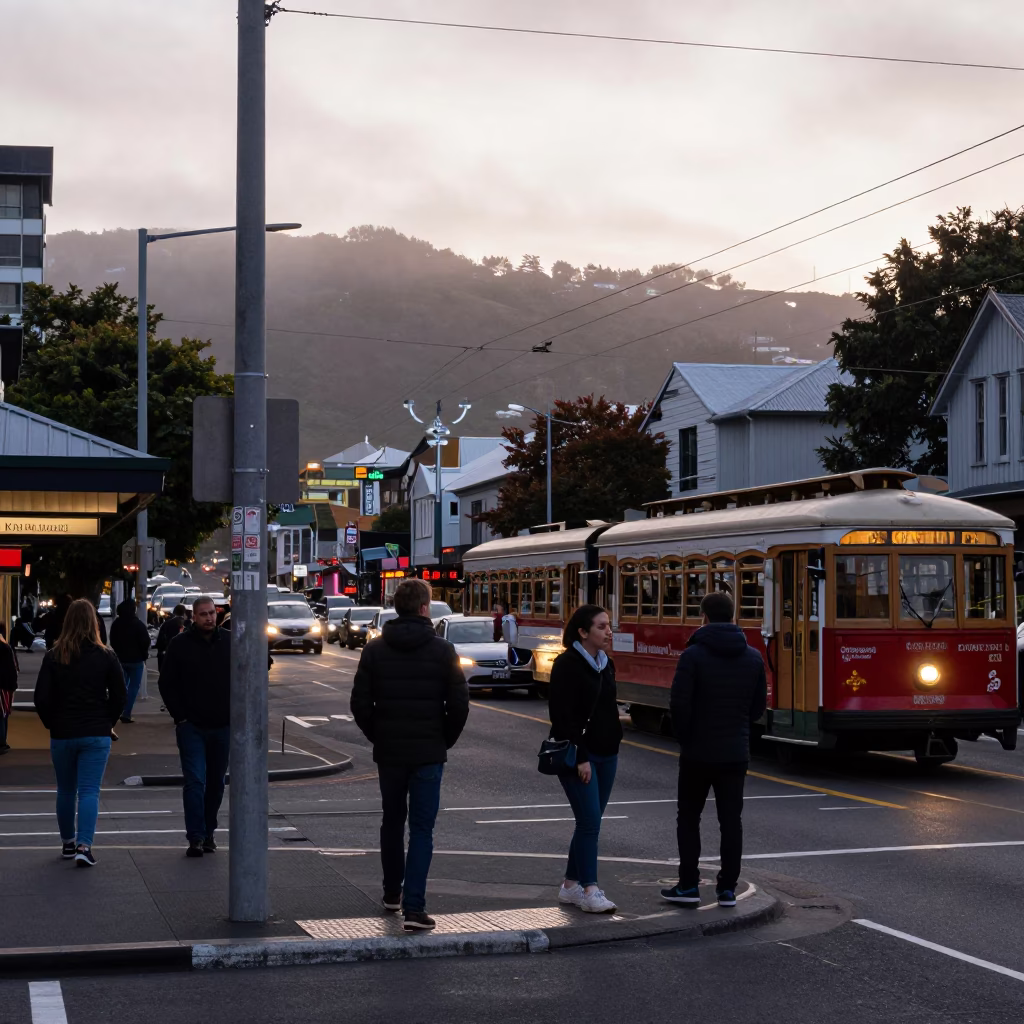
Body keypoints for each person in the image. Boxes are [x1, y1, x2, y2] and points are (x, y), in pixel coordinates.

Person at [351, 577, 469, 931]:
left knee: (392, 821)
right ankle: (414, 908)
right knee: (422, 829)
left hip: (389, 751)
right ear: (423, 608)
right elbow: (459, 705)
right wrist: (442, 740)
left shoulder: (374, 649)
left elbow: (359, 704)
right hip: (428, 752)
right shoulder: (443, 650)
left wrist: (379, 735)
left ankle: (391, 893)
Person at [662, 591, 767, 909]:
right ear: (734, 615)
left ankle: (689, 885)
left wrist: (686, 738)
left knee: (689, 818)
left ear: (703, 617)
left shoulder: (692, 656)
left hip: (697, 752)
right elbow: (758, 707)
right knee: (731, 821)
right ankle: (727, 890)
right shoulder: (752, 657)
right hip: (735, 752)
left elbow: (679, 704)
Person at [32, 598, 126, 867]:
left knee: (65, 790)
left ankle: (68, 843)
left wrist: (52, 722)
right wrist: (107, 720)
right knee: (88, 792)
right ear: (95, 623)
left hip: (63, 731)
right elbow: (120, 694)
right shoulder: (106, 656)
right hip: (95, 731)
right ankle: (85, 846)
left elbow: (41, 698)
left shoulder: (53, 656)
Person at [547, 604, 621, 914]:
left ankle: (570, 886)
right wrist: (581, 756)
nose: (608, 631)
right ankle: (590, 890)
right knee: (590, 822)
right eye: (602, 626)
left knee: (591, 821)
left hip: (608, 752)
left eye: (608, 626)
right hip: (580, 756)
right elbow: (562, 716)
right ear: (583, 632)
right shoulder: (567, 664)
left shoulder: (606, 664)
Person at [158, 596, 230, 858]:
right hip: (192, 727)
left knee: (216, 784)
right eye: (203, 614)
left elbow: (251, 669)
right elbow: (167, 684)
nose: (209, 618)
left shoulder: (230, 642)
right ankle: (196, 837)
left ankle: (209, 831)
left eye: (212, 613)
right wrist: (181, 717)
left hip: (222, 726)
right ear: (194, 616)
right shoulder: (180, 644)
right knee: (195, 781)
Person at [109, 598, 151, 724]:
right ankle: (126, 713)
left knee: (122, 686)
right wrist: (144, 655)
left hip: (121, 659)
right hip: (136, 660)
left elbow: (113, 640)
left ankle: (118, 711)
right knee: (133, 687)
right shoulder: (138, 624)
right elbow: (145, 641)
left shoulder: (116, 624)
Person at [156, 603, 188, 672]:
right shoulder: (184, 625)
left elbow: (160, 640)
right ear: (184, 613)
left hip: (165, 654)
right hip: (179, 657)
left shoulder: (166, 623)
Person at [0, 625, 17, 754]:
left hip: (4, 684)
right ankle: (2, 742)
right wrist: (13, 686)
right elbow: (11, 669)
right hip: (4, 685)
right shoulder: (5, 648)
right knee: (3, 714)